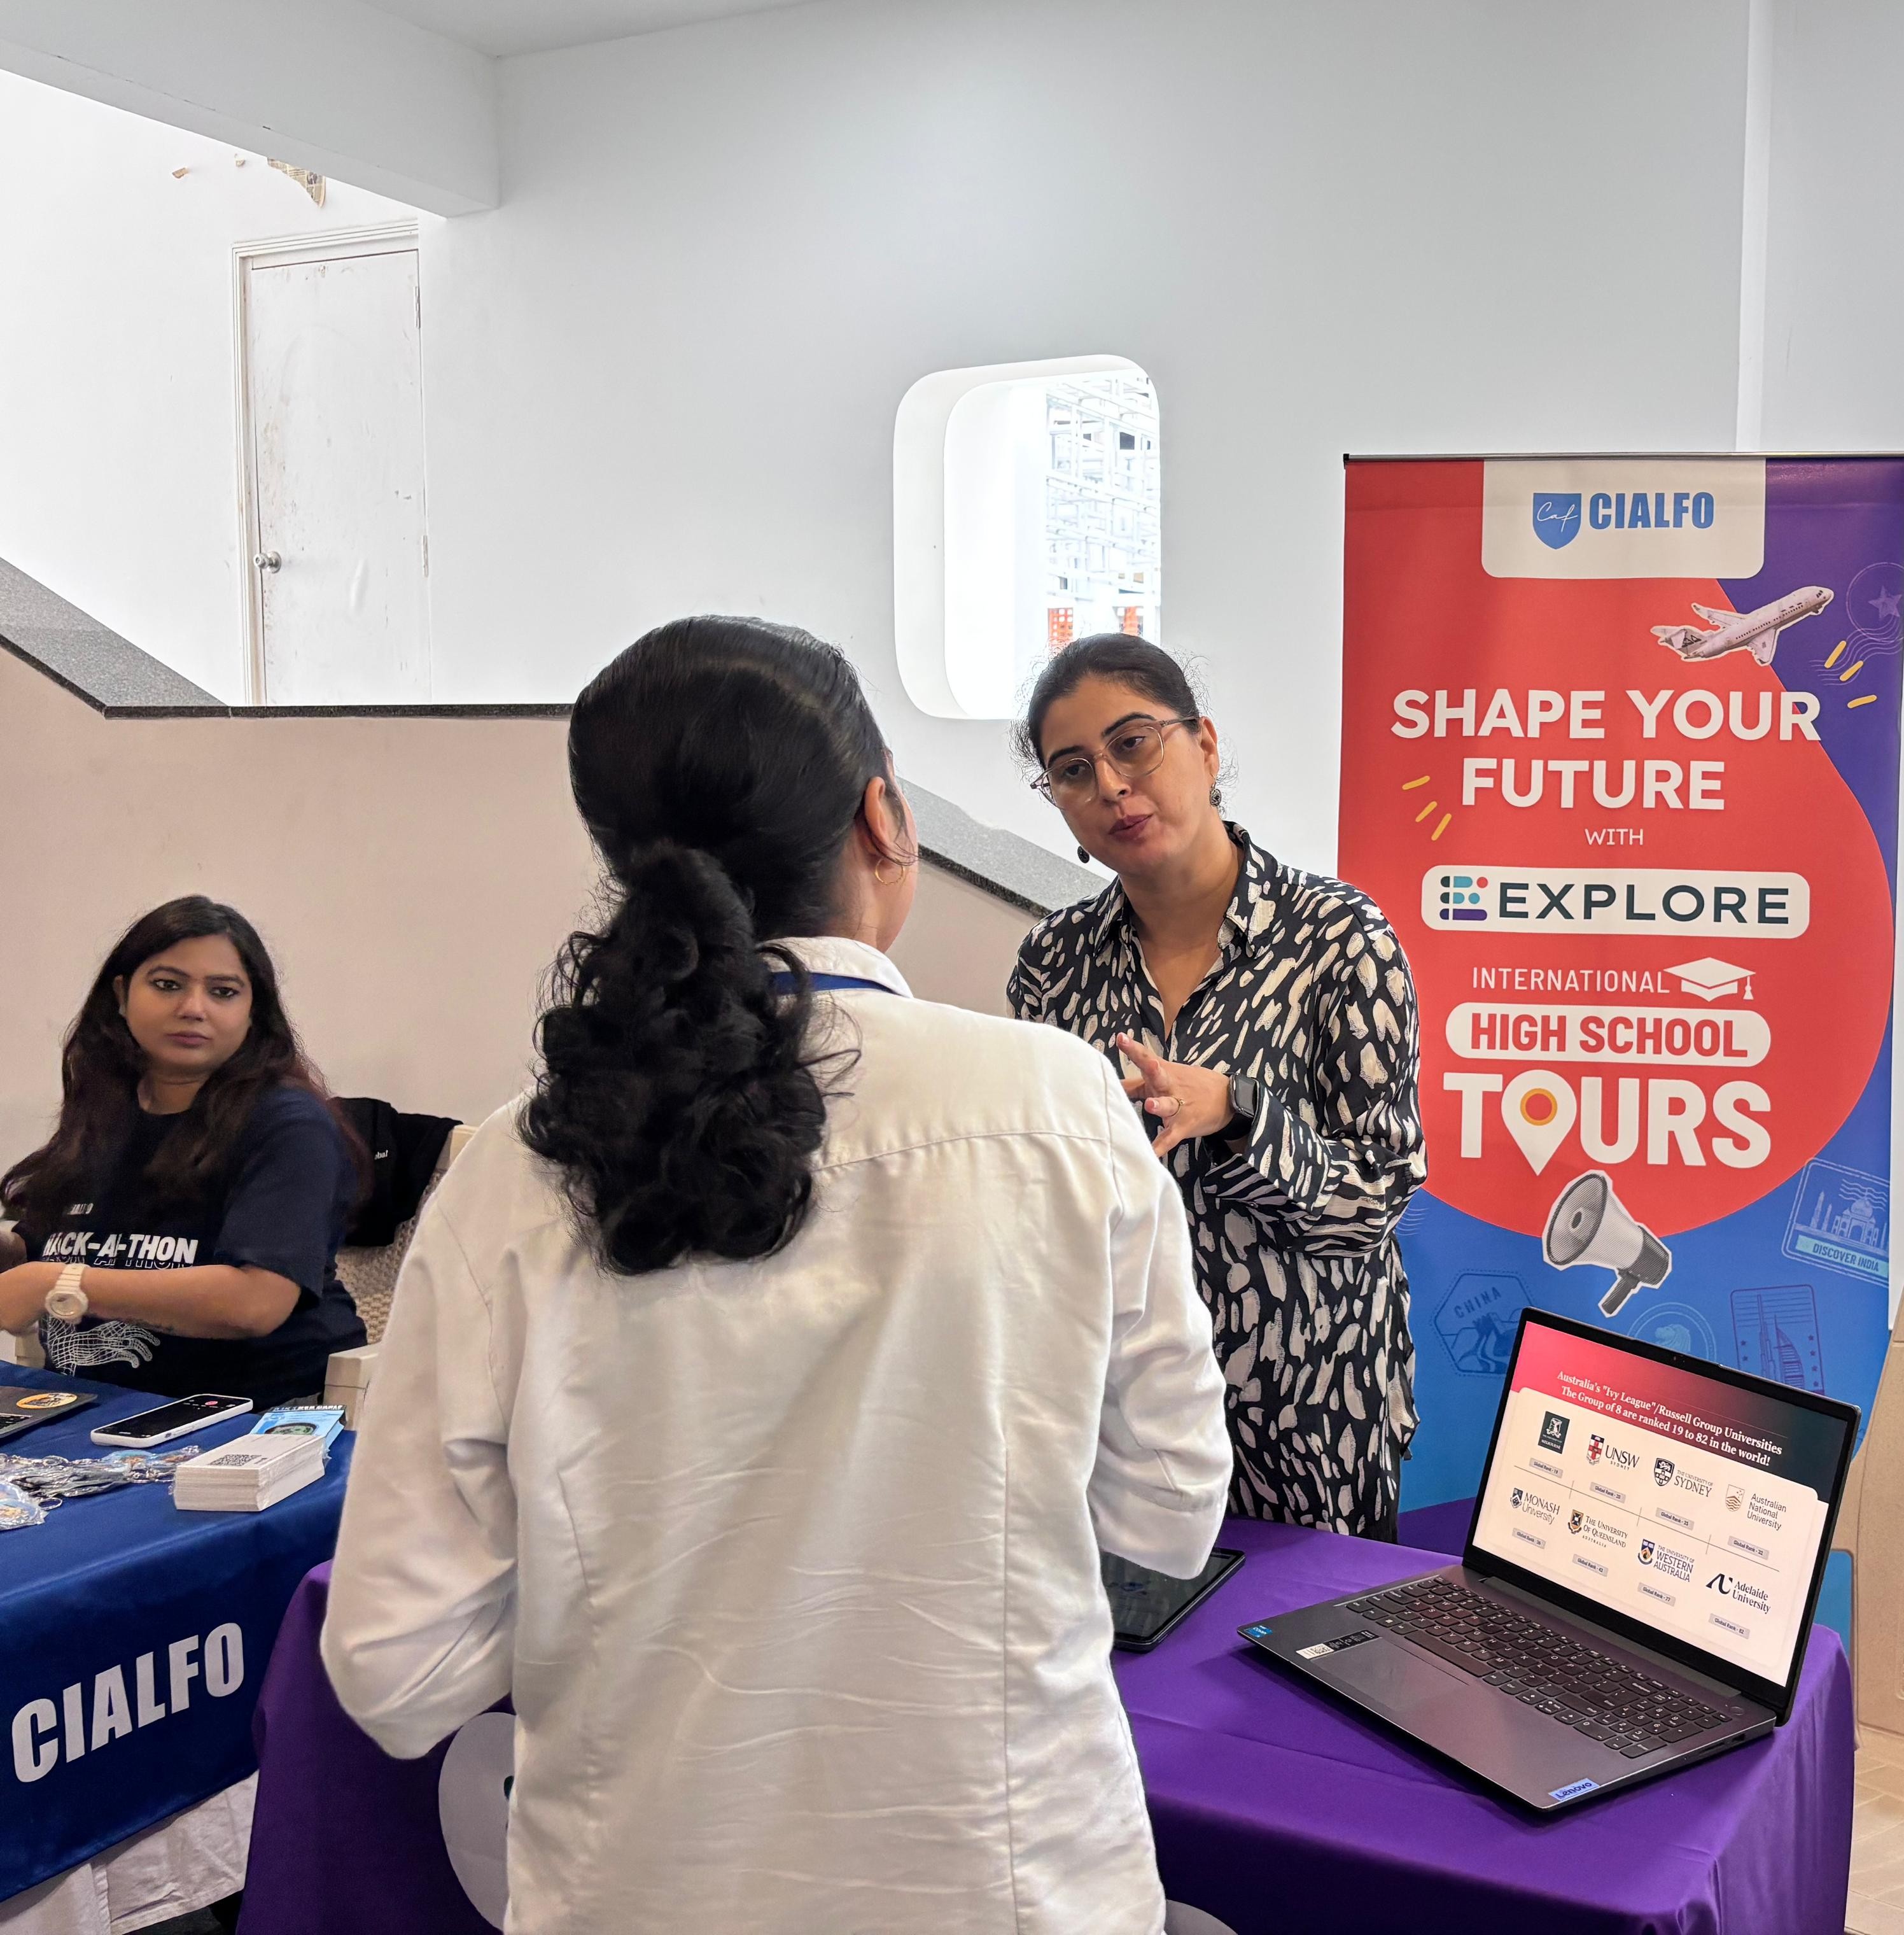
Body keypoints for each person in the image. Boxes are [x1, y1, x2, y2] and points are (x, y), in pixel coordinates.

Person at [321, 616, 1230, 1935]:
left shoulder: (511, 1171)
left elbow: (394, 1671)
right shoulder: (1055, 1105)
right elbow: (1168, 1515)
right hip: (1006, 1885)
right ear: (883, 817)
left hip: (638, 1894)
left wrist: (632, 1589)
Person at [1009, 633, 1425, 1538]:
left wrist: (1239, 1114)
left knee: (1308, 1631)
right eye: (1073, 771)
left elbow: (1377, 1198)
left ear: (1203, 745)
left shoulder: (1340, 939)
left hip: (1310, 1408)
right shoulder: (1052, 962)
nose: (1111, 786)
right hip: (1127, 1417)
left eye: (1133, 744)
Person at [0, 896, 367, 1406]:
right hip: (92, 1404)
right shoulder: (107, 1106)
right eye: (168, 985)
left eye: (223, 992)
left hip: (260, 1417)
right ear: (122, 995)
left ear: (253, 1012)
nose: (194, 1008)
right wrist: (16, 1255)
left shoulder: (289, 1125)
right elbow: (59, 1243)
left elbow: (255, 1303)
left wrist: (57, 1283)